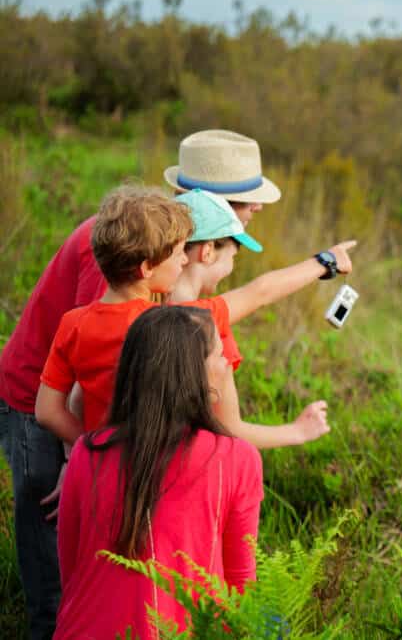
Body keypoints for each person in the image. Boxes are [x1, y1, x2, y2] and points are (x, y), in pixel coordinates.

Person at [0, 128, 283, 639]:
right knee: (54, 548)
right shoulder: (123, 281)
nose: (253, 212)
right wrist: (83, 456)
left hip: (85, 419)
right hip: (37, 399)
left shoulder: (141, 245)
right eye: (244, 201)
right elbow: (92, 385)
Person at [36, 185, 355, 448]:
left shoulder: (73, 324)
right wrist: (297, 432)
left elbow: (49, 411)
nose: (182, 263)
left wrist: (93, 448)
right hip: (162, 478)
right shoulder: (184, 322)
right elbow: (260, 291)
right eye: (177, 255)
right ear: (148, 267)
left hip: (99, 482)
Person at [54, 306, 263, 639]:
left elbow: (70, 567)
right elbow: (240, 585)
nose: (227, 364)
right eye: (220, 355)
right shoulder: (237, 460)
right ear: (194, 372)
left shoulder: (87, 452)